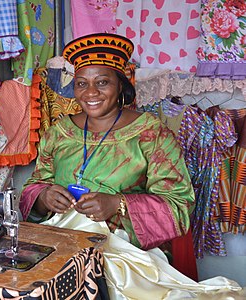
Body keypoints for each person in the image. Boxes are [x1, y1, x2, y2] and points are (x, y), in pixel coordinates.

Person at [20, 33, 242, 299]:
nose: (90, 93)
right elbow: (34, 186)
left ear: (121, 85)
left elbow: (180, 206)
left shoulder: (151, 135)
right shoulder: (59, 132)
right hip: (63, 246)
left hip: (123, 255)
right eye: (81, 84)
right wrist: (43, 198)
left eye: (102, 82)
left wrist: (119, 204)